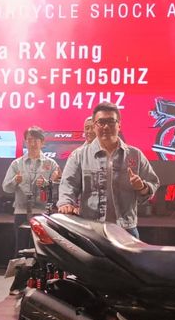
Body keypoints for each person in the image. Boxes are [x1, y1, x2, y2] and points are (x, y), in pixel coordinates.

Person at [57, 102, 159, 238]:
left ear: (119, 125)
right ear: (94, 126)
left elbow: (153, 182)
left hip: (126, 228)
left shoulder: (135, 155)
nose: (106, 127)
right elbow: (68, 184)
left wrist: (142, 187)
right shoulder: (79, 156)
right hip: (91, 228)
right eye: (101, 122)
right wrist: (66, 203)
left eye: (111, 122)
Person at [3, 126, 61, 253]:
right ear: (25, 142)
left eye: (36, 140)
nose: (33, 143)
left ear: (42, 142)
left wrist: (47, 184)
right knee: (20, 250)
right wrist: (15, 181)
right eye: (29, 140)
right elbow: (6, 187)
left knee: (42, 250)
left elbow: (59, 189)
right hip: (21, 213)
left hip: (43, 213)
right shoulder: (17, 164)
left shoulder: (51, 164)